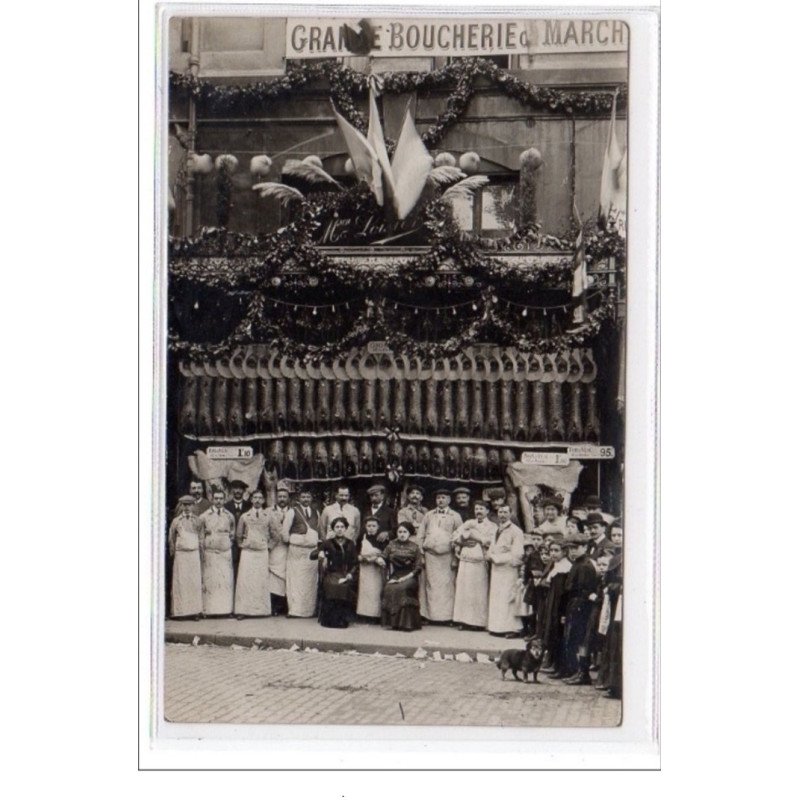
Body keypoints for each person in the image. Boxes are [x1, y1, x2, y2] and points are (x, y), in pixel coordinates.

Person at [559, 534, 600, 684]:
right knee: (575, 640)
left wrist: (578, 608)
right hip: (575, 605)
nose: (572, 551)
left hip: (582, 607)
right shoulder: (577, 563)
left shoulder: (585, 566)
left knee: (582, 640)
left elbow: (585, 590)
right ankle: (578, 671)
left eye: (576, 548)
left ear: (584, 547)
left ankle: (583, 674)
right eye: (570, 548)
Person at [418, 488, 462, 623]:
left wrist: (455, 558)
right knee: (430, 586)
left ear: (449, 500)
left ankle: (447, 617)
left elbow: (459, 538)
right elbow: (420, 535)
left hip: (447, 557)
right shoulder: (429, 515)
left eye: (443, 497)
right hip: (430, 557)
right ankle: (429, 616)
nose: (441, 500)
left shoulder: (455, 516)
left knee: (447, 587)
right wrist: (421, 555)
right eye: (438, 498)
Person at [452, 499, 495, 630]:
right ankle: (463, 620)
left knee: (477, 592)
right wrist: (462, 541)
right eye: (476, 509)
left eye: (481, 509)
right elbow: (454, 536)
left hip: (479, 562)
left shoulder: (492, 526)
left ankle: (477, 622)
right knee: (464, 591)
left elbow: (492, 542)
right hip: (465, 562)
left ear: (487, 511)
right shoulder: (469, 523)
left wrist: (478, 538)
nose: (478, 511)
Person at [311, 517, 358, 628]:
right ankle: (329, 620)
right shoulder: (328, 543)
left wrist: (351, 574)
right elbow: (312, 555)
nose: (339, 529)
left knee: (344, 586)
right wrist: (320, 553)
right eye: (337, 527)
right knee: (332, 585)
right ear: (333, 529)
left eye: (342, 527)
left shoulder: (351, 544)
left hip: (345, 573)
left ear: (346, 528)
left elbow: (355, 563)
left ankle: (342, 620)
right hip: (331, 573)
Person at [486, 504, 525, 637]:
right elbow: (492, 546)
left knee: (508, 598)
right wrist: (490, 554)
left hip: (508, 569)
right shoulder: (497, 529)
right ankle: (497, 627)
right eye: (500, 512)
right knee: (497, 597)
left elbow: (517, 554)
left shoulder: (516, 531)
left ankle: (512, 629)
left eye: (505, 512)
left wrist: (497, 558)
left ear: (510, 513)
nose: (502, 515)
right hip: (497, 570)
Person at [282, 488, 321, 617]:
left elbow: (319, 530)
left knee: (310, 581)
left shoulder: (316, 512)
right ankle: (295, 610)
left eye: (308, 497)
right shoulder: (292, 512)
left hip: (311, 551)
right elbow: (285, 533)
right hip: (297, 551)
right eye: (303, 497)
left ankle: (309, 611)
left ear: (311, 499)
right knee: (295, 580)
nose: (306, 499)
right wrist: (296, 541)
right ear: (298, 498)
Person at [233, 489, 271, 619]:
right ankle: (243, 610)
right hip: (248, 553)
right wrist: (243, 544)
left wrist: (268, 546)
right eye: (255, 497)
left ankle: (261, 610)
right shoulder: (245, 516)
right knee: (245, 580)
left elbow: (276, 534)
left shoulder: (268, 516)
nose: (257, 500)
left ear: (264, 500)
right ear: (251, 500)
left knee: (260, 580)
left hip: (262, 552)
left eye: (260, 498)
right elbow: (238, 535)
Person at [381, 521, 424, 631]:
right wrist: (380, 560)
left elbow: (419, 567)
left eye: (405, 532)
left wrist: (406, 578)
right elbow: (383, 556)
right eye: (399, 532)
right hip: (395, 574)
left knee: (402, 587)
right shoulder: (391, 544)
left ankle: (407, 624)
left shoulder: (415, 547)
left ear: (409, 533)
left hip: (410, 576)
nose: (402, 534)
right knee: (389, 588)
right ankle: (393, 623)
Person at [199, 489, 235, 616]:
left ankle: (225, 610)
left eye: (221, 498)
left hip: (225, 553)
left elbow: (232, 534)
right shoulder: (204, 516)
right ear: (212, 499)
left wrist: (226, 544)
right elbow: (201, 535)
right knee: (211, 581)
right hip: (210, 553)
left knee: (225, 581)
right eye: (216, 498)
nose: (219, 501)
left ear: (224, 500)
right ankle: (209, 610)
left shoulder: (229, 515)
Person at [539, 537, 572, 674]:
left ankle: (557, 664)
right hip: (552, 601)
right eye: (551, 550)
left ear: (564, 552)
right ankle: (550, 660)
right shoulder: (555, 565)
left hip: (558, 604)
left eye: (556, 551)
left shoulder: (565, 568)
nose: (553, 553)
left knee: (557, 632)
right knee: (550, 630)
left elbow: (563, 591)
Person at [168, 495, 204, 619]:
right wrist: (174, 553)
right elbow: (171, 538)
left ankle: (194, 612)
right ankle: (180, 612)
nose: (187, 507)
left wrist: (201, 554)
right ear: (181, 506)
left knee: (193, 582)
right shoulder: (176, 521)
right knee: (181, 583)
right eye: (185, 505)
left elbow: (201, 538)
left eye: (189, 504)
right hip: (181, 556)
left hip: (194, 555)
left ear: (193, 506)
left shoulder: (198, 521)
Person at [265, 483, 291, 614]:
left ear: (288, 498)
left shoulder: (293, 511)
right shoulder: (268, 511)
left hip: (289, 549)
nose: (282, 499)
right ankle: (274, 606)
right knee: (274, 577)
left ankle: (286, 605)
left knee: (287, 576)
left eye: (284, 497)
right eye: (279, 496)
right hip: (275, 549)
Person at [356, 516, 386, 621]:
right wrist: (360, 557)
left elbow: (384, 553)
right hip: (364, 568)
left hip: (376, 569)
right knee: (364, 590)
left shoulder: (382, 539)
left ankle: (376, 615)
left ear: (378, 527)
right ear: (365, 526)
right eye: (369, 526)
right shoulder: (362, 537)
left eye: (374, 526)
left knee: (375, 590)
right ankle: (364, 614)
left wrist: (374, 558)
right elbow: (357, 552)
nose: (371, 528)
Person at [520, 531, 546, 635]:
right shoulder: (532, 555)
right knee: (532, 608)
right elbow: (527, 569)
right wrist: (526, 581)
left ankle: (538, 632)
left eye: (538, 539)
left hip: (541, 584)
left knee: (540, 609)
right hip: (532, 585)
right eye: (534, 539)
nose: (536, 542)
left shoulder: (545, 553)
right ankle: (531, 631)